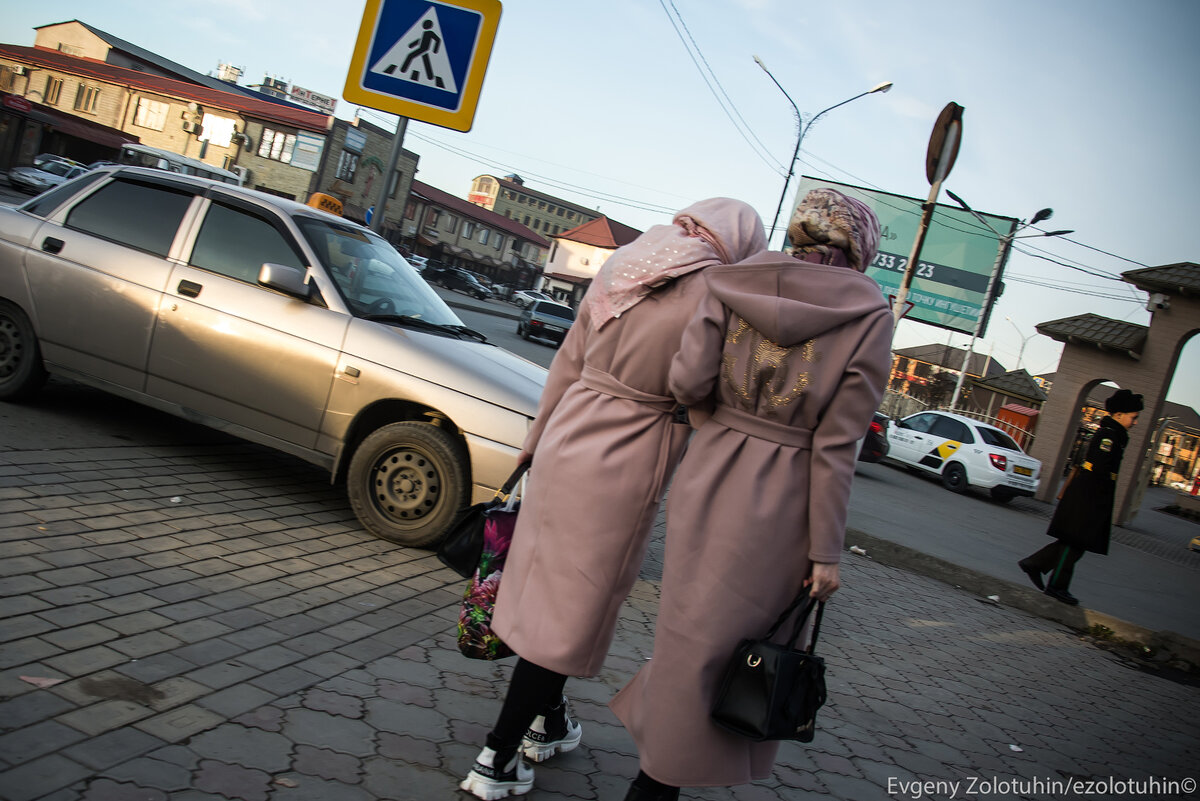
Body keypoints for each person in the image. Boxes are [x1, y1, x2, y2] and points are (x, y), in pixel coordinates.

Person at [460, 198, 767, 800]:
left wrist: (534, 439)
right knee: (570, 614)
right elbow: (698, 389)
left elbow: (568, 360)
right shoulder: (719, 293)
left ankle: (548, 725)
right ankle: (496, 757)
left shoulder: (628, 261)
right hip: (630, 452)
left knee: (546, 594)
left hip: (566, 434)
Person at [609, 187, 893, 799]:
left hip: (710, 475)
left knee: (688, 636)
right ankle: (658, 782)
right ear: (859, 249)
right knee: (734, 647)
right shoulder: (869, 314)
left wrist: (721, 427)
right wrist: (827, 553)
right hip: (786, 504)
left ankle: (657, 769)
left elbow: (687, 381)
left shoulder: (734, 280)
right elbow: (838, 445)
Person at [1018, 388, 1143, 605]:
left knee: (1074, 542)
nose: (1136, 422)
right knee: (1074, 544)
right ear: (1119, 414)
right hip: (1089, 496)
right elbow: (1100, 471)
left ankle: (1035, 564)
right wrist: (1096, 504)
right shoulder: (1108, 437)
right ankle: (1056, 585)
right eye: (1134, 417)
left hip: (1091, 495)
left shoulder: (1114, 436)